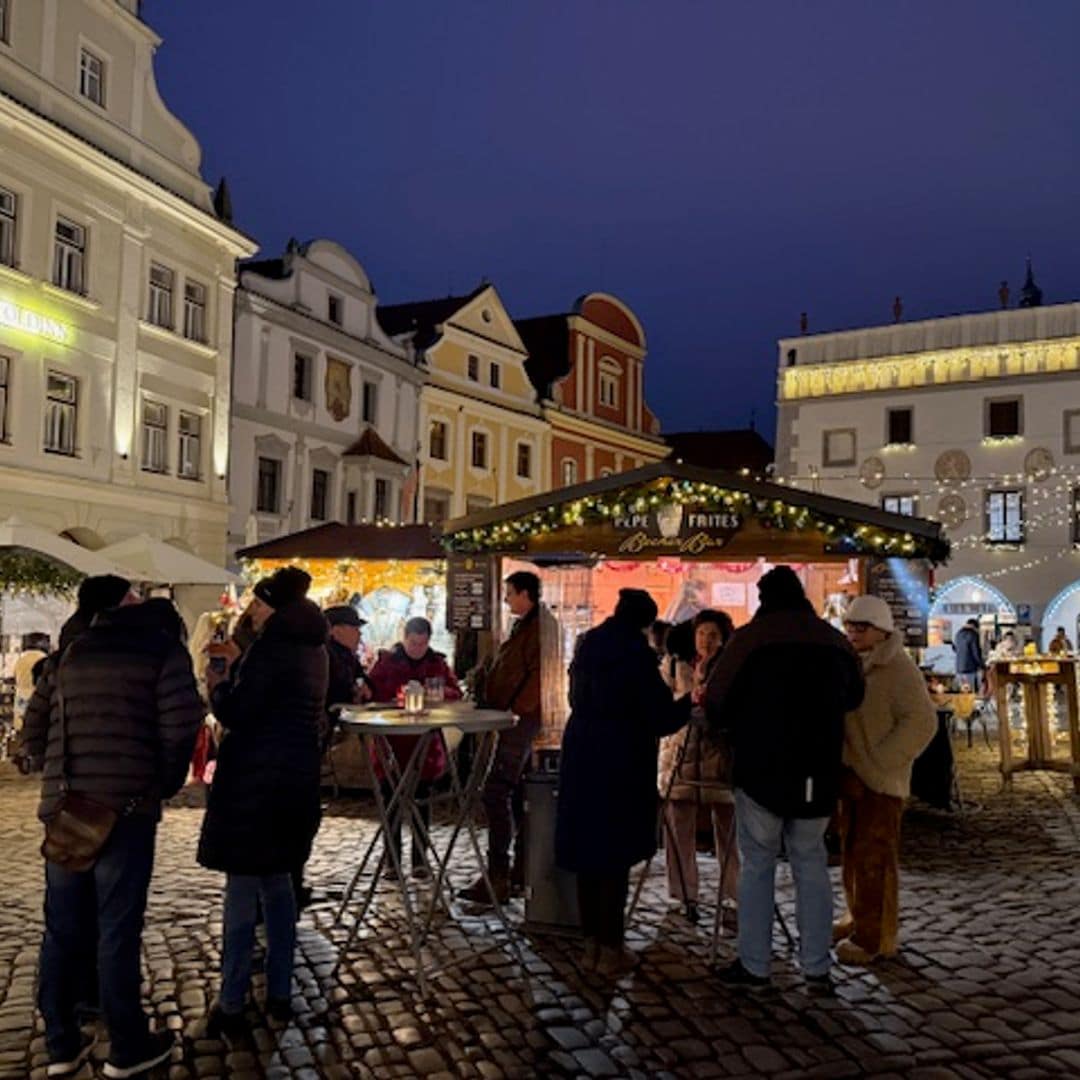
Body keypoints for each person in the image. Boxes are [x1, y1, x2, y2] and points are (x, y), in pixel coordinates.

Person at [24, 595, 203, 1079]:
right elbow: (182, 724)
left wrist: (57, 767)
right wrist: (160, 783)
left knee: (61, 928)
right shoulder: (162, 654)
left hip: (66, 809)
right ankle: (126, 1045)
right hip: (125, 811)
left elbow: (31, 731)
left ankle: (61, 1043)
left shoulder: (73, 652)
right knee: (117, 930)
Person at [705, 567, 864, 992]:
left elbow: (717, 700)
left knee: (757, 865)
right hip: (818, 769)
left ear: (764, 597)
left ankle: (755, 965)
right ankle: (816, 966)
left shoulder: (750, 640)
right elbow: (856, 697)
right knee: (810, 863)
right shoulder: (833, 641)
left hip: (761, 769)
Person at [197, 567, 328, 1038]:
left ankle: (230, 1003)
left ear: (273, 605)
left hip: (256, 784)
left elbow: (237, 711)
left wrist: (221, 681)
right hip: (295, 782)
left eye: (257, 602)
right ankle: (279, 994)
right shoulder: (313, 649)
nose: (251, 609)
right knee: (279, 890)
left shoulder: (273, 649)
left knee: (241, 893)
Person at [556, 589, 691, 975]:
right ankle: (610, 949)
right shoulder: (636, 655)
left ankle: (589, 947)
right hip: (621, 760)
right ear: (645, 623)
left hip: (582, 755)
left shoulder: (587, 648)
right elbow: (661, 717)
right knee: (613, 858)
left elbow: (574, 696)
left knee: (588, 856)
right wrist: (689, 703)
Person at [835, 596, 936, 965]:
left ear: (881, 631)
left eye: (861, 627)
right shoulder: (854, 665)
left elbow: (922, 722)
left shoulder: (897, 668)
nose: (853, 633)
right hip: (852, 776)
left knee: (876, 858)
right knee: (851, 854)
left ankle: (875, 937)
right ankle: (857, 916)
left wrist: (883, 761)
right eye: (849, 626)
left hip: (881, 779)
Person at [459, 571, 547, 904]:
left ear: (526, 594)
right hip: (515, 720)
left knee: (496, 792)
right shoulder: (526, 626)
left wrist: (512, 711)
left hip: (520, 723)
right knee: (515, 794)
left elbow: (536, 679)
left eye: (510, 593)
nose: (506, 600)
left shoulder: (537, 629)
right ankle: (516, 874)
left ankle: (499, 874)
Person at [367, 616, 462, 878]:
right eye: (413, 643)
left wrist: (441, 694)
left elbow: (455, 691)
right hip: (392, 743)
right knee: (391, 802)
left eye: (422, 644)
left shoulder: (437, 663)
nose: (417, 648)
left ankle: (420, 860)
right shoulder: (387, 661)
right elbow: (372, 691)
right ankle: (392, 860)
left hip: (424, 744)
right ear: (404, 638)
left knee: (421, 801)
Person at [658, 610, 737, 923]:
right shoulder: (674, 664)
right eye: (702, 633)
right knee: (679, 829)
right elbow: (663, 704)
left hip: (719, 757)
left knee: (728, 829)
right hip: (681, 752)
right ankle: (683, 894)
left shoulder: (731, 667)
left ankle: (734, 893)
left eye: (714, 635)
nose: (707, 640)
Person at [953, 618, 984, 694]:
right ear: (975, 626)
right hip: (970, 669)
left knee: (962, 693)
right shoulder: (973, 635)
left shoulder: (958, 634)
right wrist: (982, 665)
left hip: (958, 668)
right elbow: (975, 652)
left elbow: (955, 648)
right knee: (970, 693)